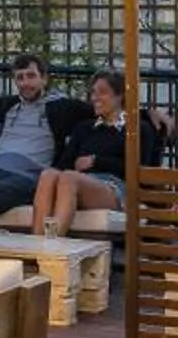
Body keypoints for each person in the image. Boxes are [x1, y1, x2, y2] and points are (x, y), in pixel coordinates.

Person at [0, 54, 92, 229]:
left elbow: (99, 110)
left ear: (44, 79)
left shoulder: (63, 107)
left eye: (31, 76)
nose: (25, 83)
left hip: (28, 177)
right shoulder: (9, 106)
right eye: (20, 78)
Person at [32, 69, 165, 236]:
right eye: (93, 92)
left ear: (120, 96)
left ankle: (52, 242)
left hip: (116, 188)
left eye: (102, 92)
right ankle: (39, 241)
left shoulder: (137, 129)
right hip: (79, 183)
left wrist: (97, 161)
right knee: (48, 175)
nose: (95, 98)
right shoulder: (84, 128)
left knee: (68, 178)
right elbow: (63, 164)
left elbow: (139, 170)